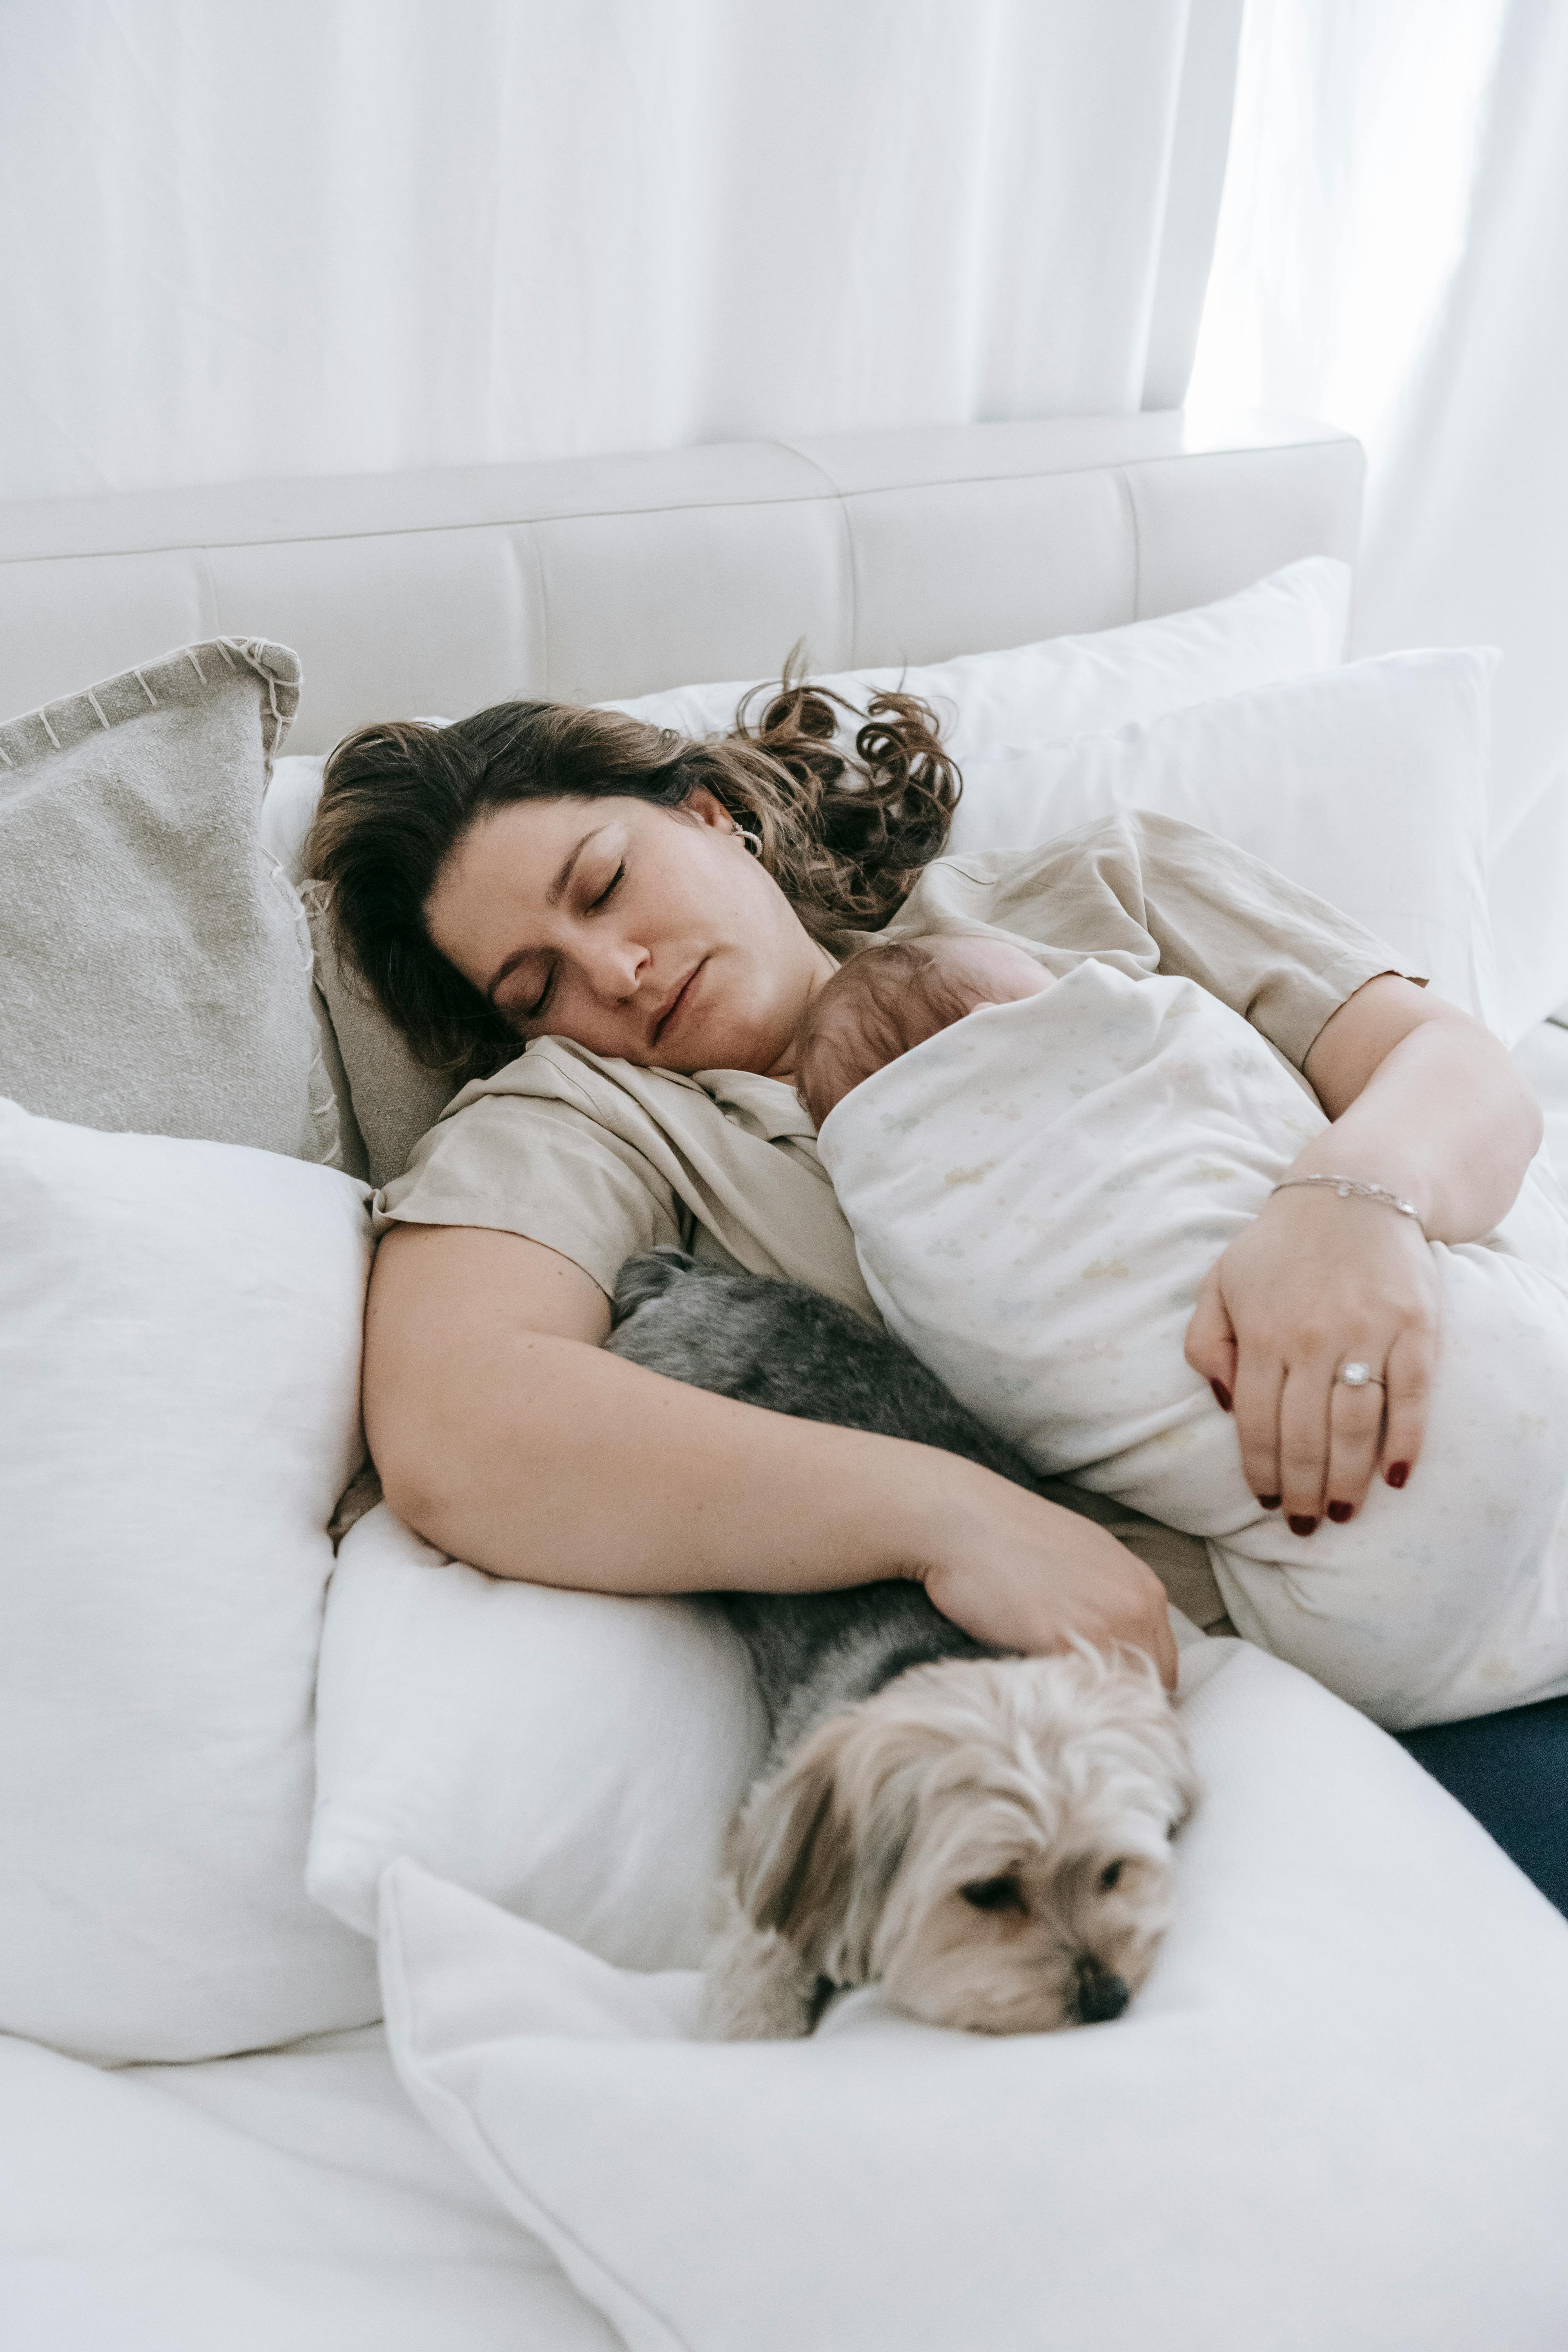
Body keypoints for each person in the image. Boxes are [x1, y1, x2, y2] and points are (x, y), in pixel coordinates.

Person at [306, 678, 1544, 1703]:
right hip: (1319, 1671)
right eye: (538, 990)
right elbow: (456, 1423)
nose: (616, 973)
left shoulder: (1102, 889)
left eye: (604, 885)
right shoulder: (593, 1121)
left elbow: (1456, 1069)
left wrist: (1355, 1194)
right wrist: (955, 1519)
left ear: (710, 815)